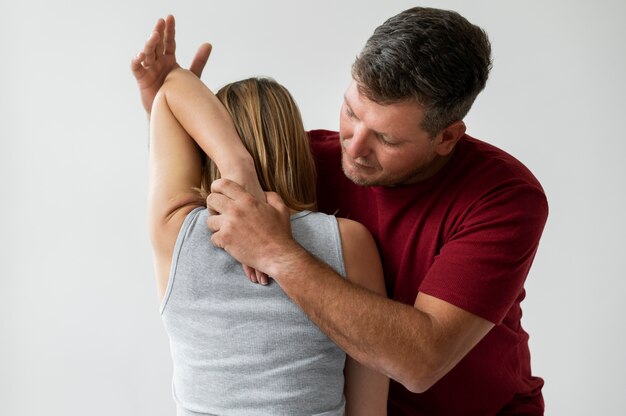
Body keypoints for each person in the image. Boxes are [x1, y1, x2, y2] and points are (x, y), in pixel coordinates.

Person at [133, 7, 548, 415]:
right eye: (351, 112)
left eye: (386, 138)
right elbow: (199, 211)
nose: (354, 145)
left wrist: (278, 254)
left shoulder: (504, 197)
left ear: (446, 137)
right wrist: (169, 122)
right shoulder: (309, 161)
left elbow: (422, 362)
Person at [137, 51, 389, 413]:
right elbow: (369, 408)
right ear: (297, 148)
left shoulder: (179, 234)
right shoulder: (348, 242)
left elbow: (172, 88)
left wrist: (234, 163)